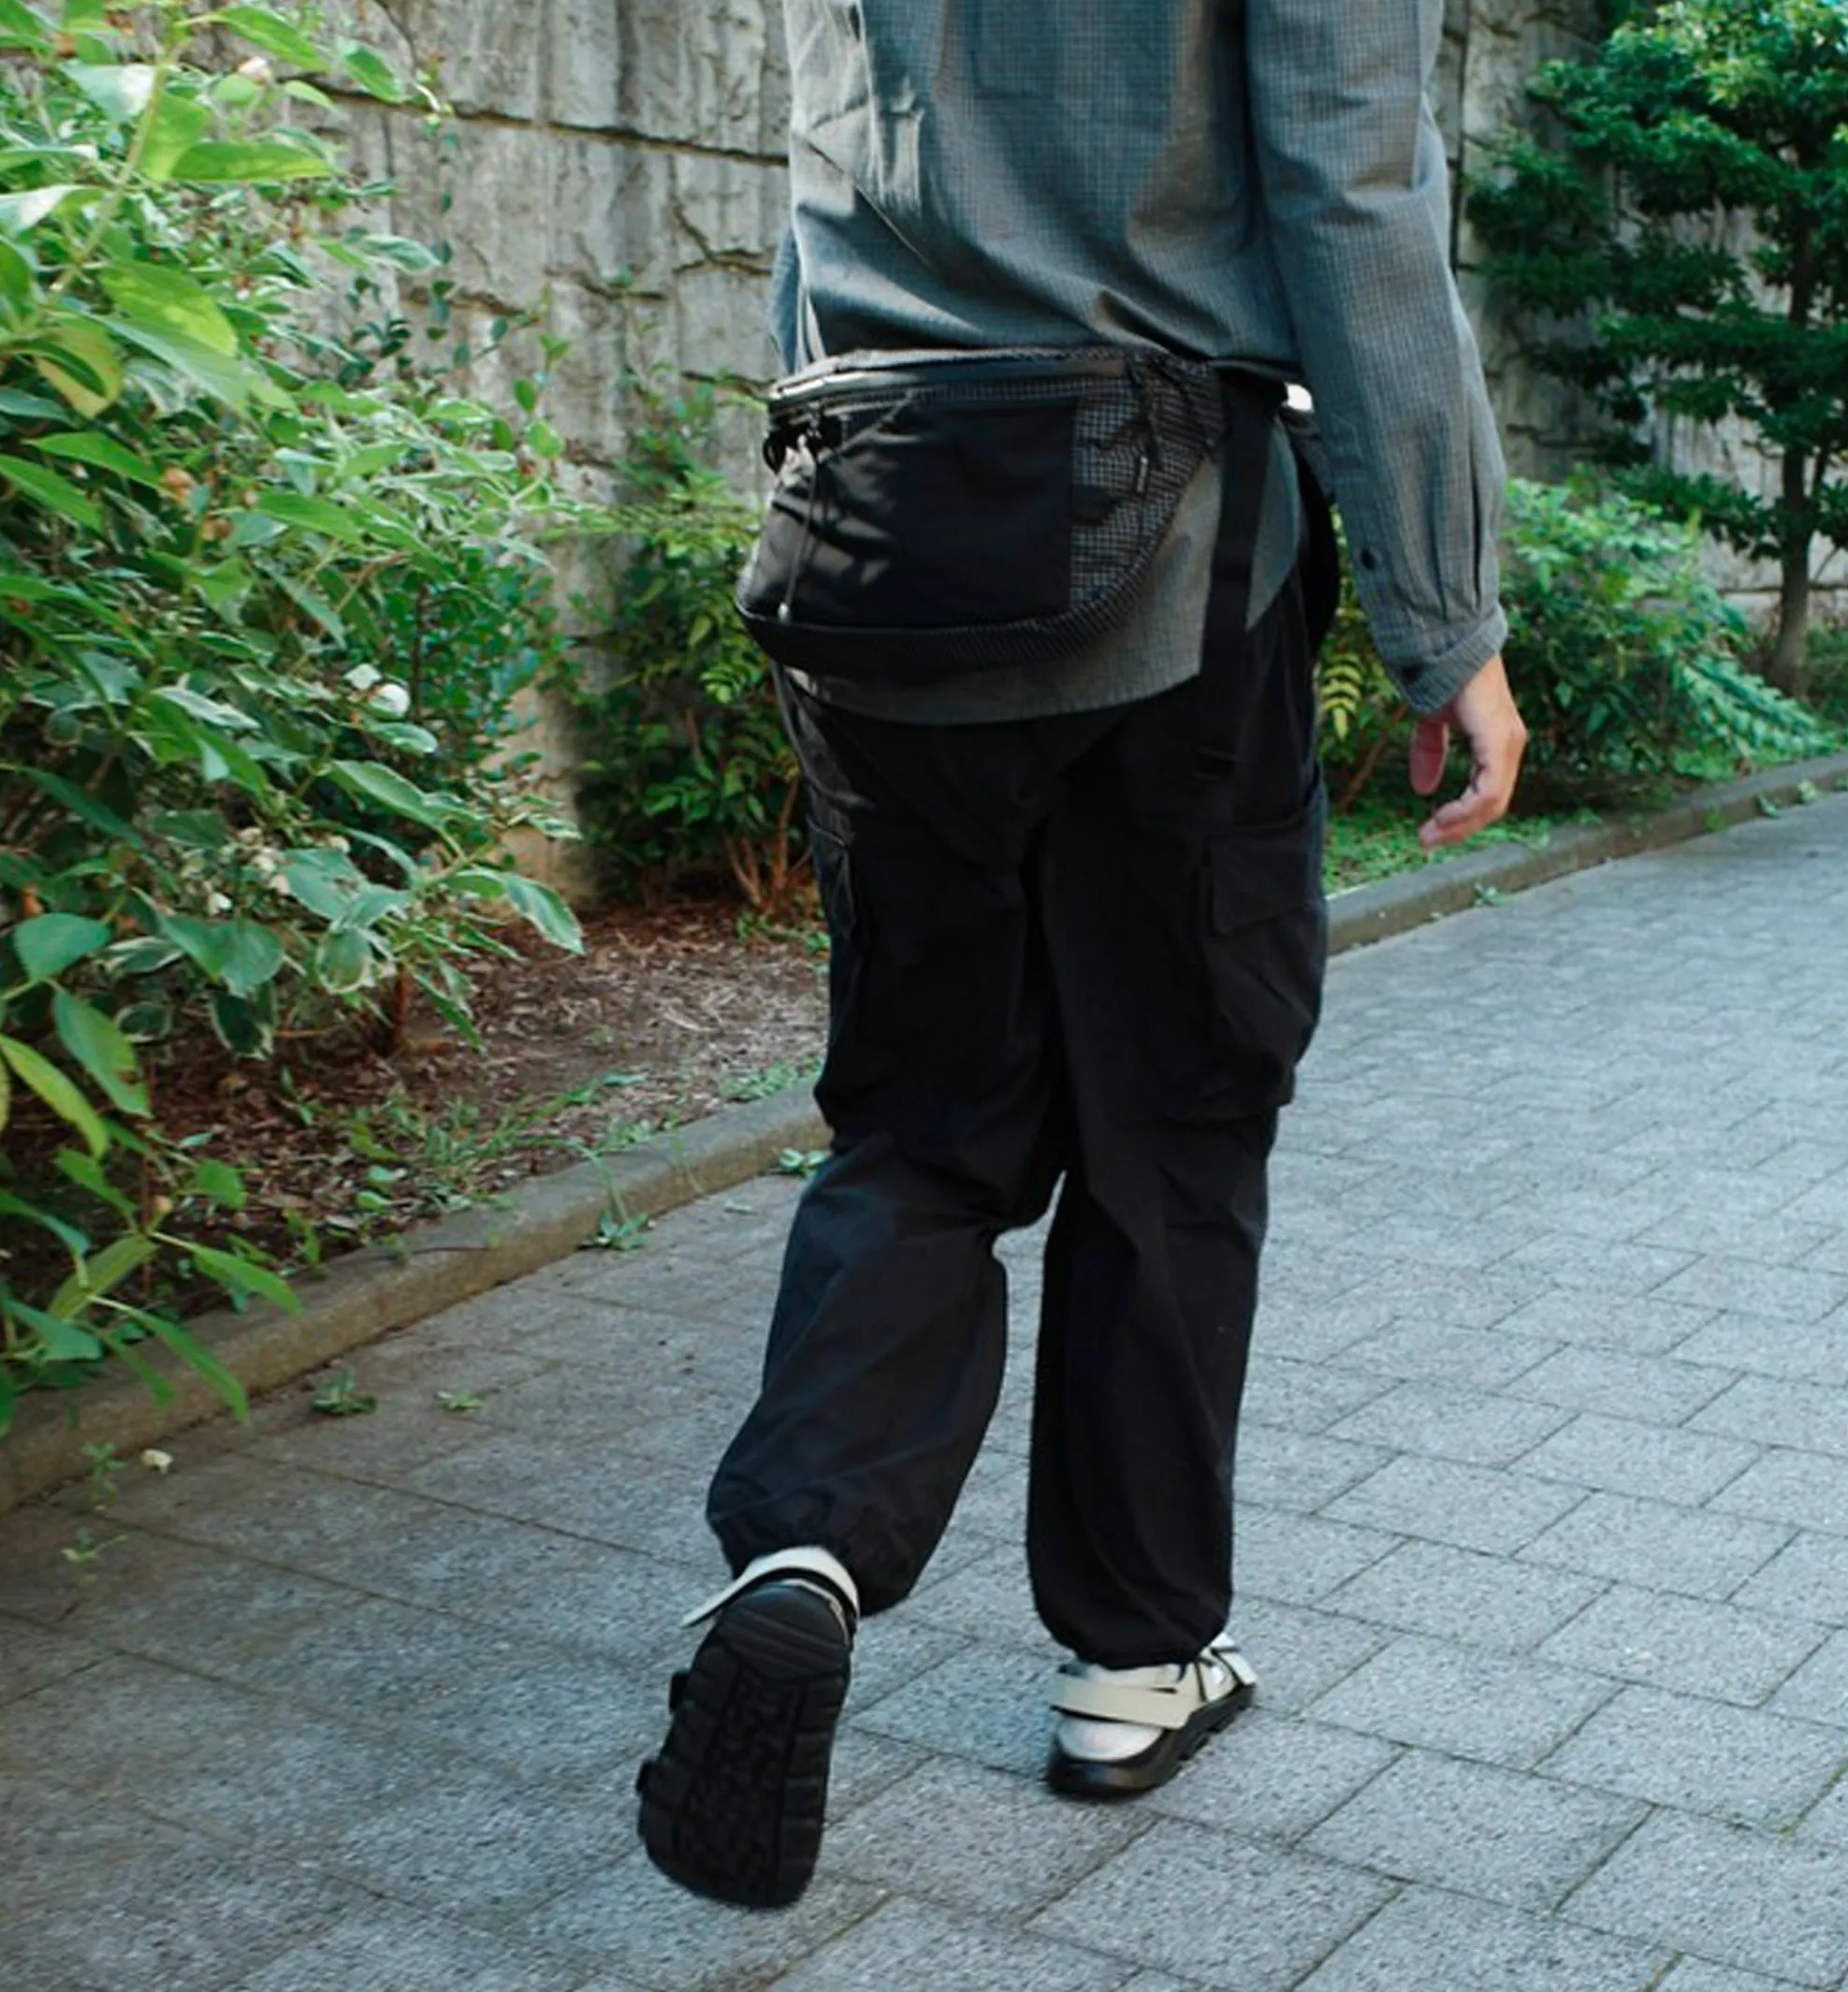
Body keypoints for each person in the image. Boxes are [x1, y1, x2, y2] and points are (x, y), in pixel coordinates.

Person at [637, 0, 1527, 1910]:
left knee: (920, 1126)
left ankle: (803, 1555)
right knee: (1171, 1123)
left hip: (875, 522)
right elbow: (1352, 189)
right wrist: (1444, 616)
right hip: (1172, 547)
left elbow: (822, 180)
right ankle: (1134, 1659)